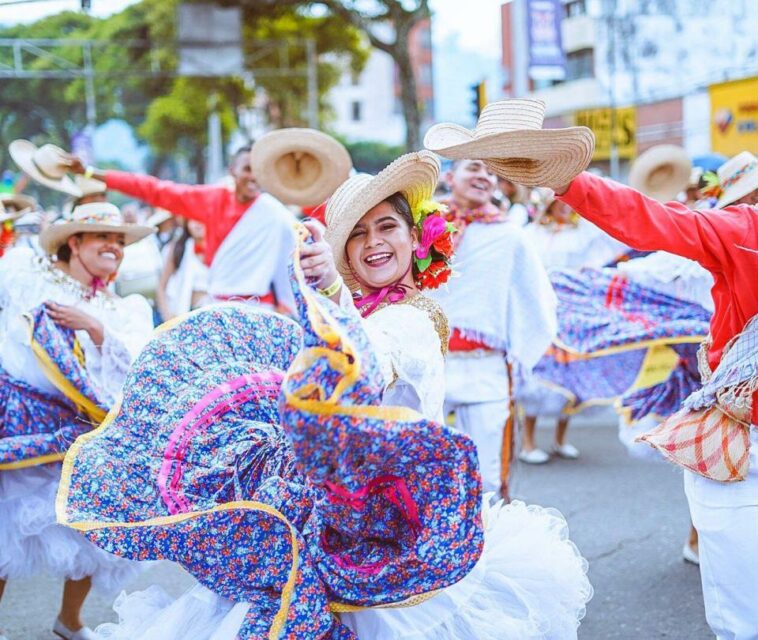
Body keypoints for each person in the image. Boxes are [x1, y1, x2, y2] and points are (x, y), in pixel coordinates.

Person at [59, 152, 591, 640]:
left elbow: (362, 363)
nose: (374, 242)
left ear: (415, 238)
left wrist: (331, 294)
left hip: (382, 528)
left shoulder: (411, 319)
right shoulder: (362, 312)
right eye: (357, 234)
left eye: (387, 227)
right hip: (324, 509)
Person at [545, 151, 758, 640]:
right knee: (743, 620)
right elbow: (650, 221)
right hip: (740, 444)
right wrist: (568, 180)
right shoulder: (741, 231)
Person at [0, 202, 154, 640]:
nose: (114, 247)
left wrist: (95, 328)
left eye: (120, 240)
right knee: (7, 528)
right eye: (103, 237)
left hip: (84, 435)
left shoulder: (125, 310)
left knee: (92, 530)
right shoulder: (28, 276)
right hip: (24, 424)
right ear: (75, 243)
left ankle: (69, 621)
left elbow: (137, 368)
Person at [427, 158, 557, 494]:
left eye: (491, 172)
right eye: (474, 168)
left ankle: (490, 542)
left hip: (485, 366)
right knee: (422, 470)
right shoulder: (423, 226)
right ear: (451, 177)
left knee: (488, 477)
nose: (484, 176)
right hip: (427, 361)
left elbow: (534, 297)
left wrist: (520, 352)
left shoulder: (509, 235)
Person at [66, 147, 297, 311]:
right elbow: (154, 189)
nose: (253, 176)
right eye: (247, 168)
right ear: (232, 171)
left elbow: (292, 266)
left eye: (259, 170)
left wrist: (285, 309)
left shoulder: (275, 214)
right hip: (217, 309)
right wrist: (90, 172)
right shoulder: (212, 200)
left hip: (264, 312)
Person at [518, 194, 627, 463]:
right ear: (548, 205)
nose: (566, 208)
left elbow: (609, 241)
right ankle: (528, 443)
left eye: (568, 203)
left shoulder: (581, 233)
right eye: (560, 203)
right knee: (540, 371)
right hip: (542, 310)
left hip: (572, 311)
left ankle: (560, 439)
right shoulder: (531, 234)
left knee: (569, 372)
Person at [155, 218, 210, 321]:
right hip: (184, 317)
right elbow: (161, 288)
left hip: (215, 315)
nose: (198, 223)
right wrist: (169, 320)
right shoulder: (178, 248)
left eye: (201, 218)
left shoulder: (220, 248)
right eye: (193, 219)